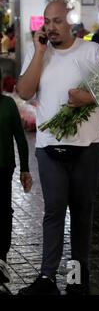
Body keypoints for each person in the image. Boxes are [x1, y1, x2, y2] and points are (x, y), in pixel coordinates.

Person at [16, 0, 99, 295]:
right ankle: (47, 278)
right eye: (47, 21)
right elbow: (25, 92)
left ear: (71, 23)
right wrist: (40, 53)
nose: (50, 27)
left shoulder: (91, 51)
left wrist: (86, 98)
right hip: (49, 147)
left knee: (82, 212)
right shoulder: (37, 52)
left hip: (87, 146)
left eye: (56, 21)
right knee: (53, 211)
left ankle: (78, 277)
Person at [0, 70, 33, 287]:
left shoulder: (9, 105)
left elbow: (20, 138)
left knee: (3, 213)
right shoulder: (8, 105)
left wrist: (25, 169)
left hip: (4, 167)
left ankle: (1, 258)